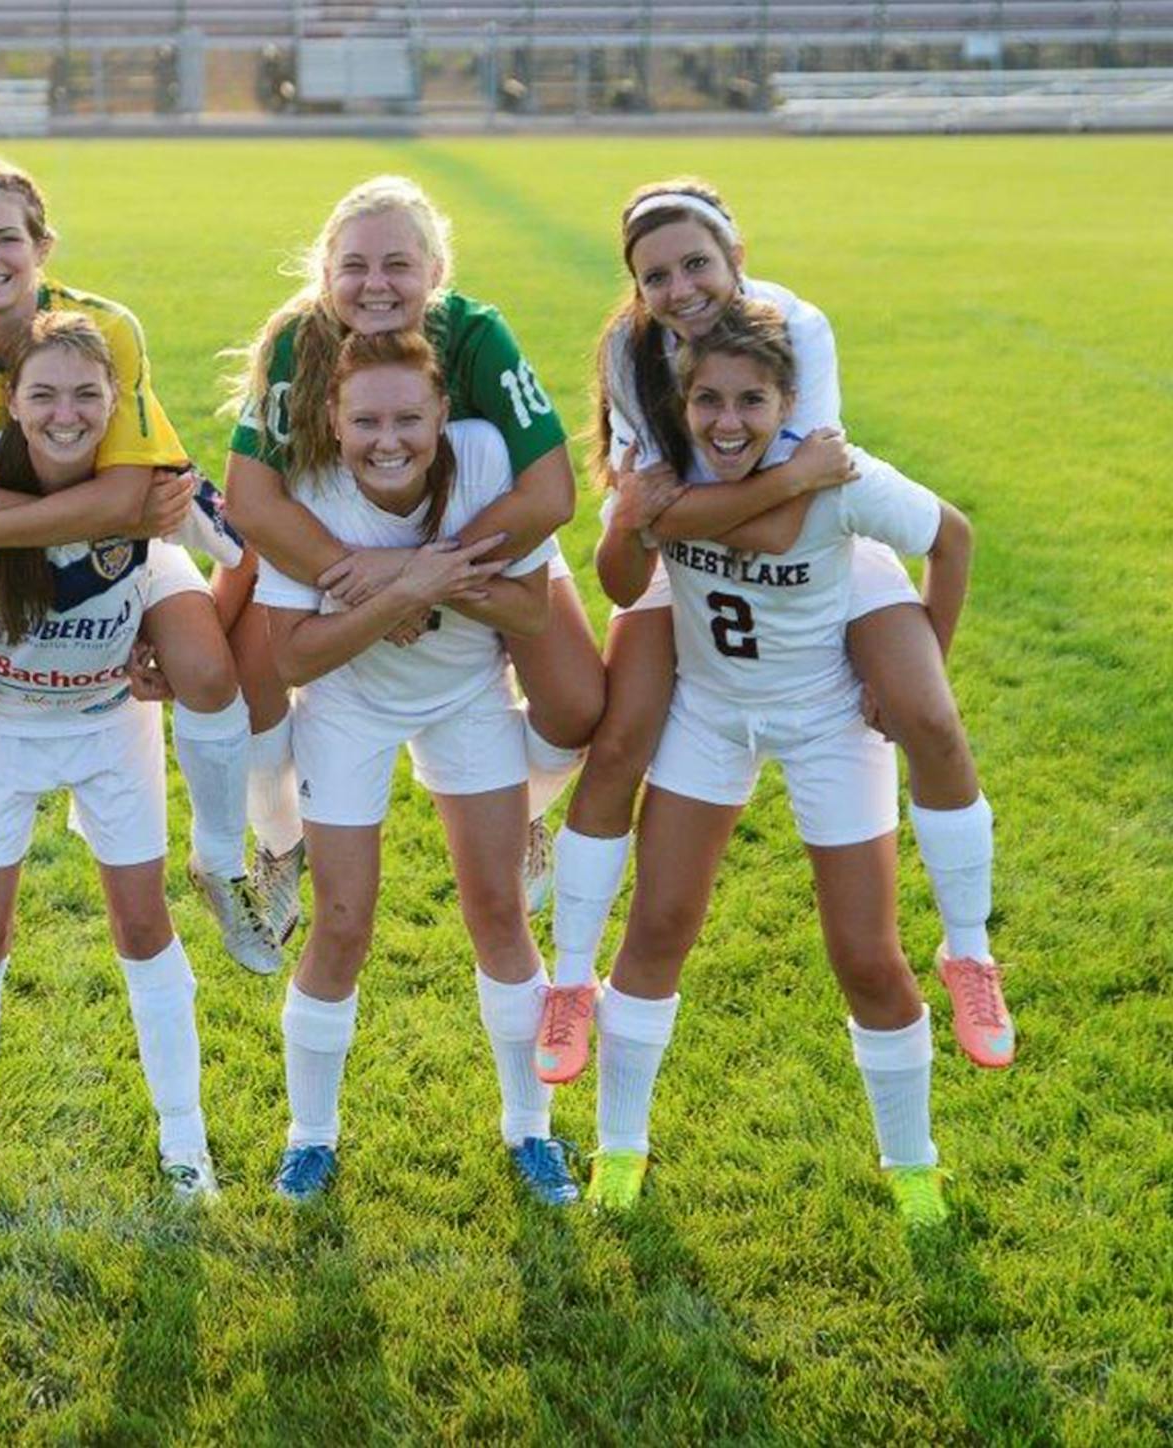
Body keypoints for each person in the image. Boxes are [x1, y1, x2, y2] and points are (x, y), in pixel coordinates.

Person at [534, 179, 1010, 1085]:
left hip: (819, 554)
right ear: (636, 287)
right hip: (688, 567)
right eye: (655, 276)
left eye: (696, 264)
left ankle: (969, 953)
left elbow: (793, 524)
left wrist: (684, 509)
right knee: (622, 739)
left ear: (737, 258)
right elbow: (685, 523)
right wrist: (731, 497)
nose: (679, 289)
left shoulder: (796, 327)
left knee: (927, 715)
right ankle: (570, 982)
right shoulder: (632, 353)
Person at [0, 155, 283, 976]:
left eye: (7, 238)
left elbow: (137, 496)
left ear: (43, 247)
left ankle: (223, 865)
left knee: (204, 667)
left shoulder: (105, 328)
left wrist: (119, 521)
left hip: (106, 540)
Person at [585, 301, 974, 1229]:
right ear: (681, 404)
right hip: (711, 716)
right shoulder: (665, 480)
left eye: (751, 401)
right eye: (709, 401)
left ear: (789, 403)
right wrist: (629, 518)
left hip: (827, 721)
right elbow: (623, 584)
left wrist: (919, 666)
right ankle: (619, 1149)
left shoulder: (839, 476)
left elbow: (950, 536)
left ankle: (912, 1163)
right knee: (658, 928)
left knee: (867, 956)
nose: (728, 422)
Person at [0, 314, 218, 1216]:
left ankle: (185, 1141)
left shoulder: (153, 492)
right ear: (12, 402)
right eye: (43, 395)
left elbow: (247, 547)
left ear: (117, 403)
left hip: (111, 726)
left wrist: (182, 643)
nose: (65, 413)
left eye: (85, 395)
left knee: (143, 923)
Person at [224, 175, 604, 925]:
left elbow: (551, 496)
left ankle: (523, 808)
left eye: (397, 264)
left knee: (577, 707)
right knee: (245, 691)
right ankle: (279, 838)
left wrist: (420, 575)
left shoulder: (476, 335)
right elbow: (251, 502)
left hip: (471, 535)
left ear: (436, 271)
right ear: (326, 273)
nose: (376, 284)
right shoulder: (297, 343)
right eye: (355, 266)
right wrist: (378, 584)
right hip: (333, 539)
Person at [256, 328, 579, 1206]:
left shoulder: (482, 461)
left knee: (499, 910)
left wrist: (417, 574)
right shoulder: (308, 484)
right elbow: (293, 657)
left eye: (409, 418)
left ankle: (531, 1130)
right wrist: (403, 591)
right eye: (365, 420)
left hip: (466, 695)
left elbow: (531, 610)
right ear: (332, 418)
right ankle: (310, 1138)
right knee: (343, 922)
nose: (388, 439)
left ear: (443, 414)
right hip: (347, 705)